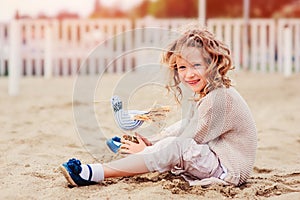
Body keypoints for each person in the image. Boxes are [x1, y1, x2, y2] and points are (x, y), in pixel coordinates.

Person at [60, 27, 257, 187]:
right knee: (173, 139)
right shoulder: (211, 94)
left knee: (175, 146)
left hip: (228, 171)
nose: (188, 74)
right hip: (217, 160)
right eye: (182, 67)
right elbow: (186, 126)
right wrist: (152, 142)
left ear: (212, 64)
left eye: (196, 65)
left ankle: (95, 172)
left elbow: (189, 138)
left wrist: (146, 151)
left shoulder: (221, 99)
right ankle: (135, 152)